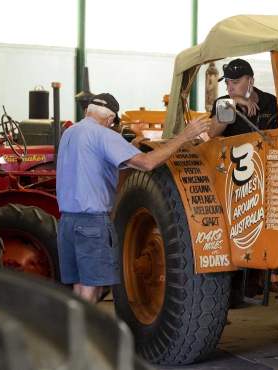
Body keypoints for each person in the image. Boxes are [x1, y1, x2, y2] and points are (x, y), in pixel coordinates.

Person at [56, 92, 211, 303]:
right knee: (91, 289)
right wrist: (184, 136)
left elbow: (94, 166)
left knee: (80, 286)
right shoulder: (105, 135)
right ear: (111, 120)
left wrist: (129, 150)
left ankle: (72, 334)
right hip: (91, 224)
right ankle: (84, 335)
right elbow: (147, 163)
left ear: (87, 111)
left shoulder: (69, 133)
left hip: (67, 222)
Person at [209, 58, 278, 137]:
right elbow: (212, 133)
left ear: (251, 82)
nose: (229, 88)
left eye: (235, 82)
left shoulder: (271, 101)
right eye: (227, 83)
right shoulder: (223, 103)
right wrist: (232, 102)